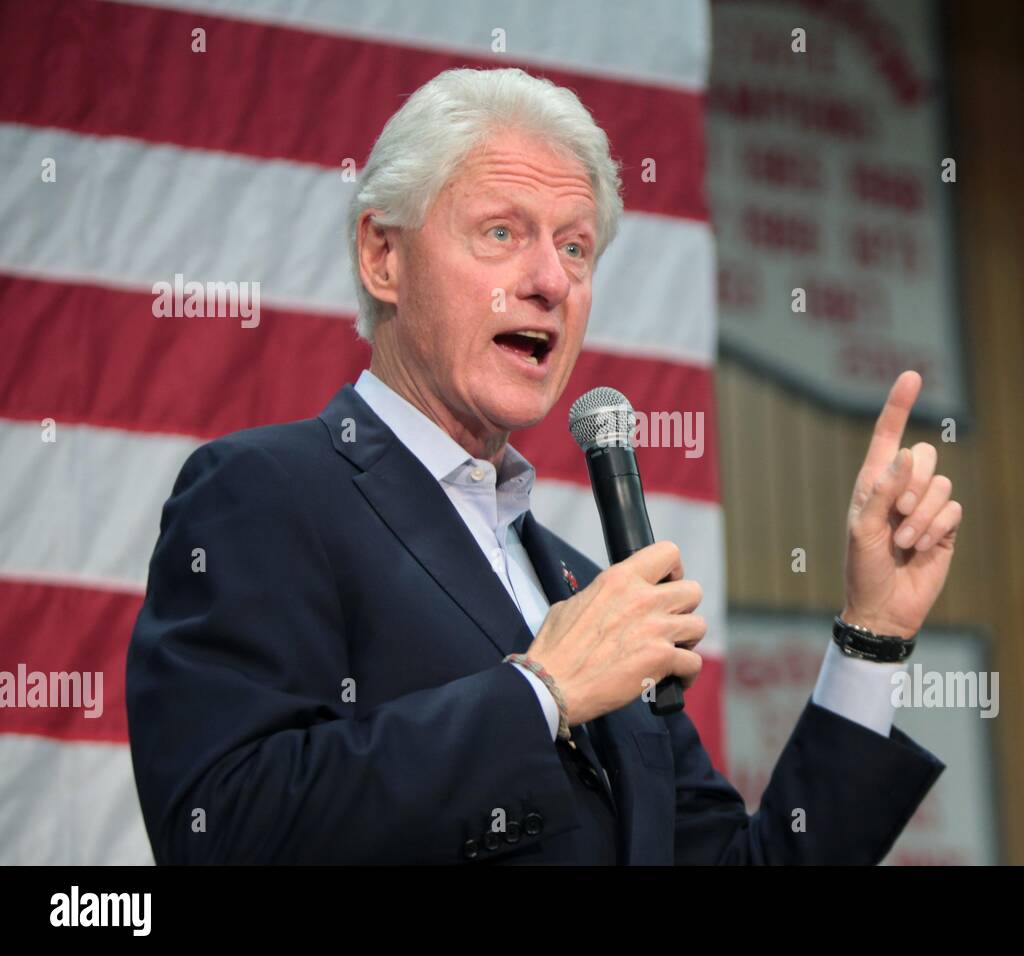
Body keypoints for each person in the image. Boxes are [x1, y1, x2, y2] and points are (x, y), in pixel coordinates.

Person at [126, 67, 964, 864]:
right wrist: (540, 695)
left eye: (575, 248)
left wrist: (871, 638)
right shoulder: (266, 494)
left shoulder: (583, 588)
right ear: (384, 256)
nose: (550, 281)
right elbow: (221, 826)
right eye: (502, 232)